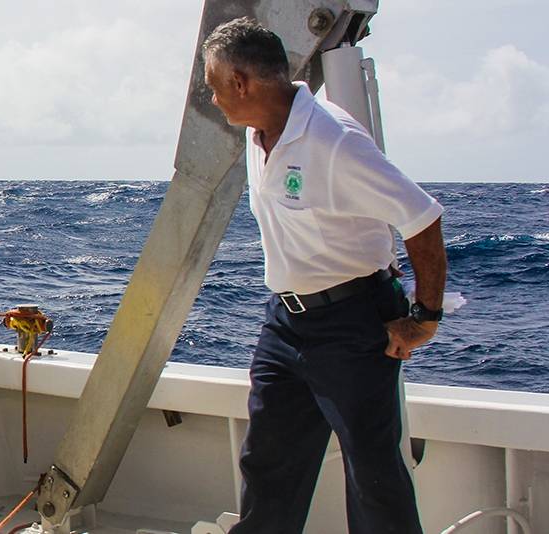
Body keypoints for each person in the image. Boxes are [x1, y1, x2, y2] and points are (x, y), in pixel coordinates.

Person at [201, 17, 448, 534]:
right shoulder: (259, 132)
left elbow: (421, 217)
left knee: (373, 474)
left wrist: (425, 316)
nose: (213, 98)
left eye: (214, 85)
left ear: (241, 83)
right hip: (284, 322)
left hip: (352, 322)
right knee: (268, 463)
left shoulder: (334, 141)